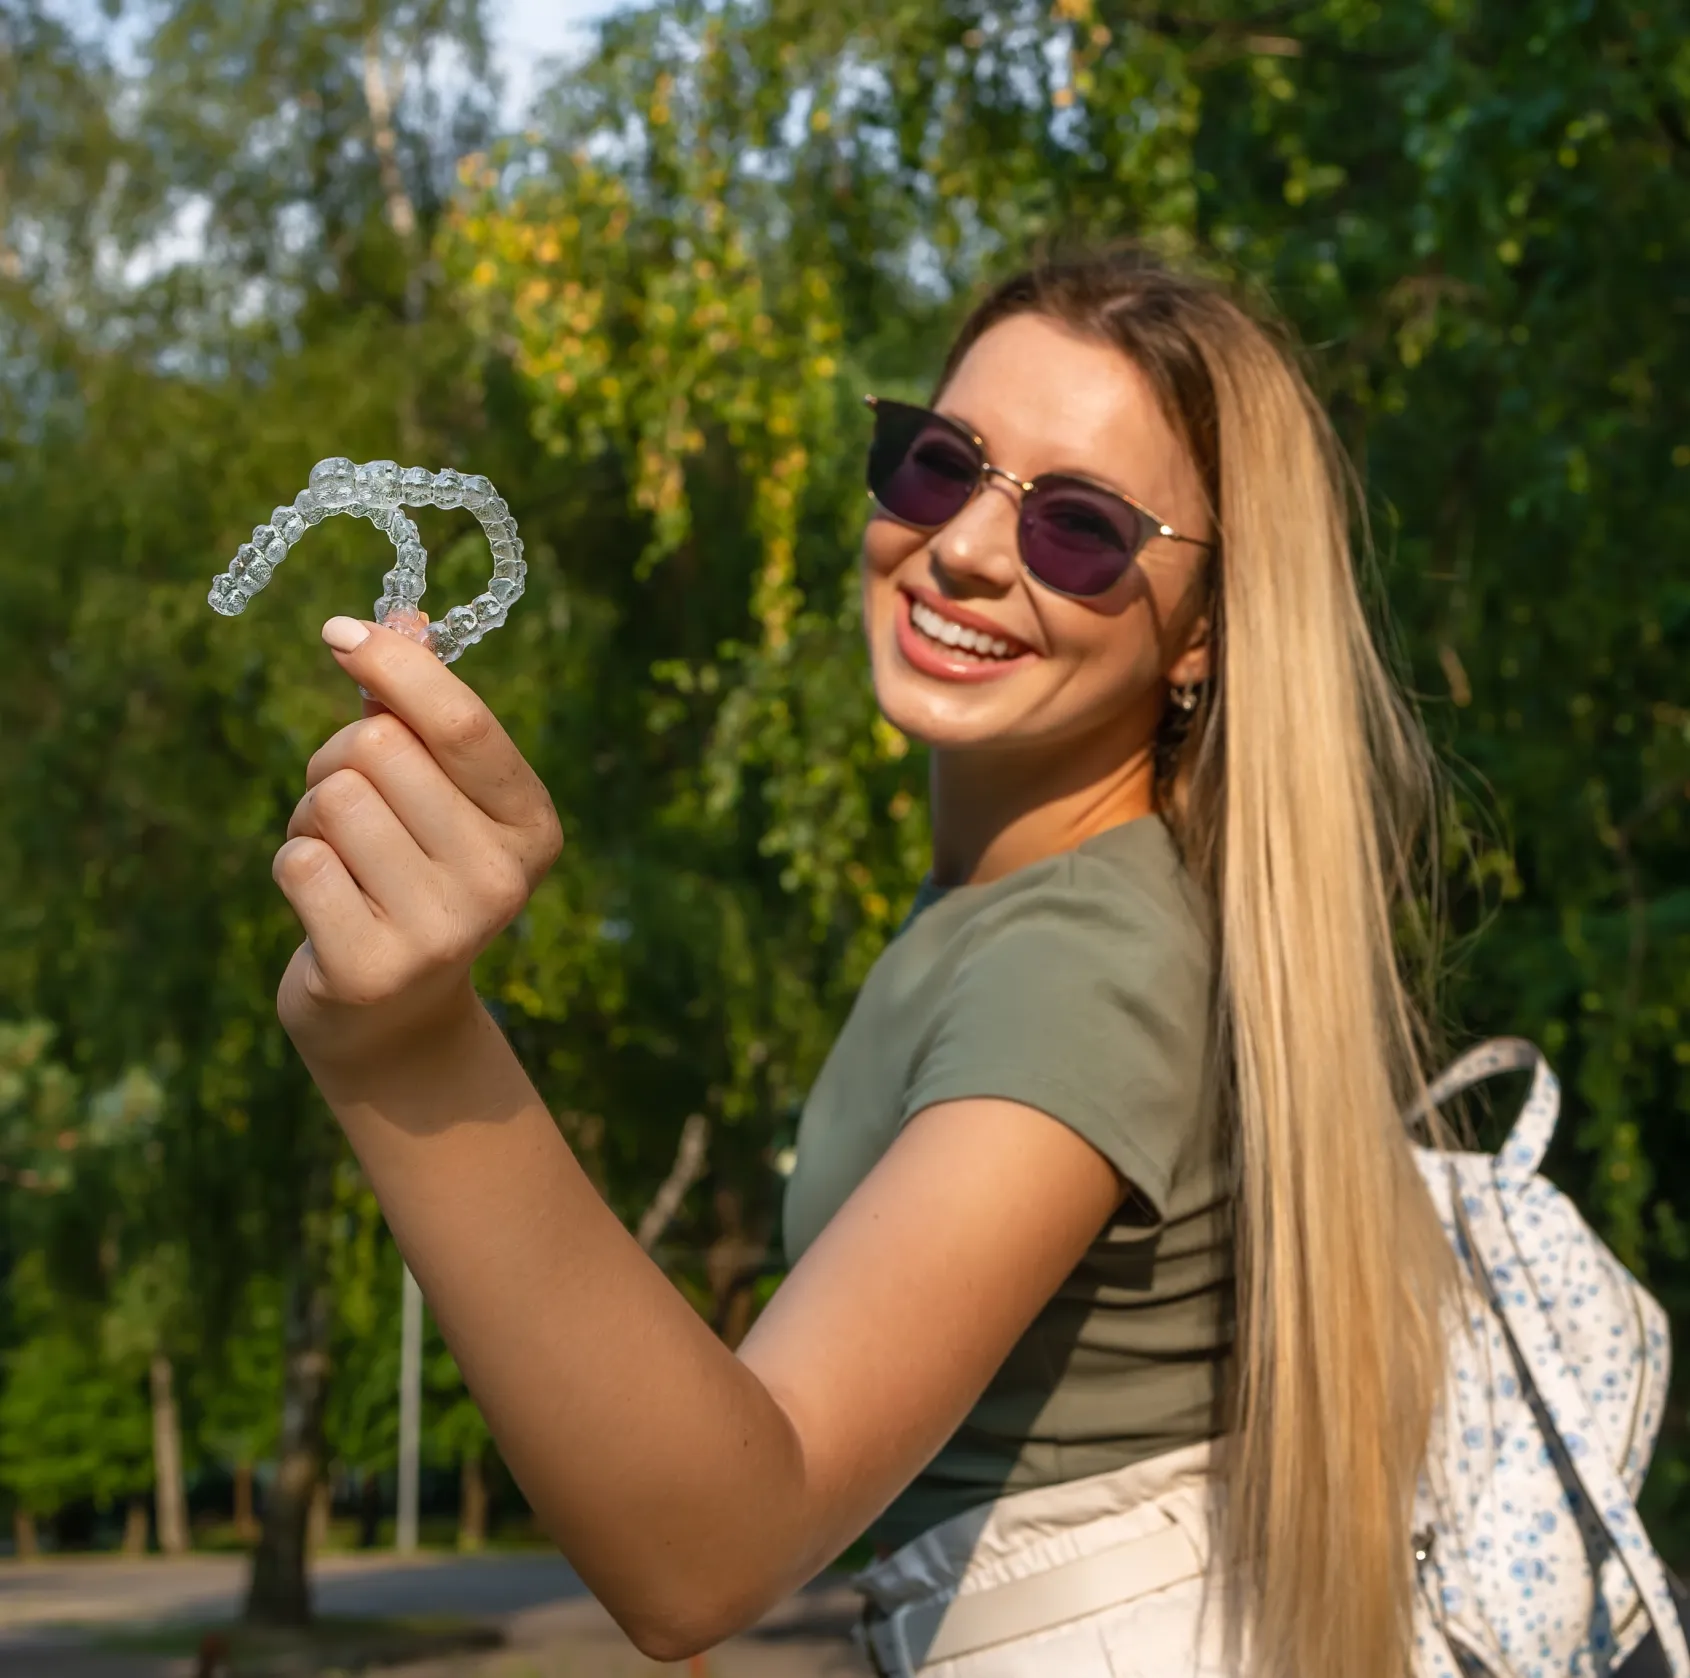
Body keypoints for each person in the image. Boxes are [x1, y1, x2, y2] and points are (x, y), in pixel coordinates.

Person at [271, 247, 1456, 1678]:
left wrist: (409, 1045)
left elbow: (709, 1544)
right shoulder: (1018, 907)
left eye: (1081, 528)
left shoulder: (1088, 956)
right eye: (937, 461)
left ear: (1202, 632)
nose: (963, 545)